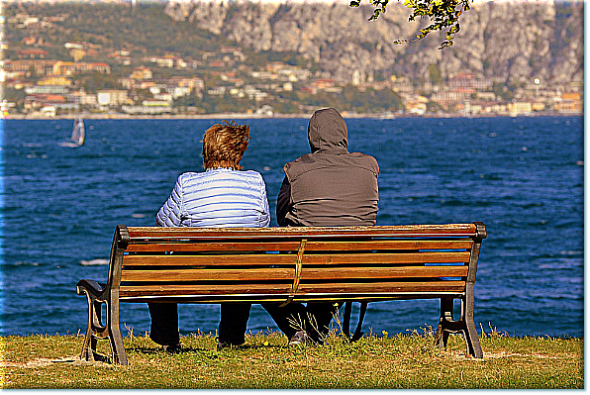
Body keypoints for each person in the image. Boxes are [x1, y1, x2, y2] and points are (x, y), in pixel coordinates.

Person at [149, 120, 273, 352]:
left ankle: (169, 339)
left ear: (206, 151)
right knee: (243, 258)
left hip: (196, 271)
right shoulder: (255, 180)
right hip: (242, 271)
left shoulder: (187, 182)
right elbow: (262, 224)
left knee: (157, 268)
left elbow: (164, 224)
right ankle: (231, 338)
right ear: (239, 151)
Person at [274, 107, 380, 345]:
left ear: (311, 136)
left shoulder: (296, 169)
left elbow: (281, 216)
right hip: (357, 264)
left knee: (264, 277)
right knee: (334, 263)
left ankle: (304, 330)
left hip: (308, 262)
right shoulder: (369, 167)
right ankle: (313, 333)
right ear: (343, 133)